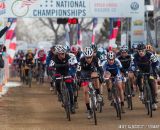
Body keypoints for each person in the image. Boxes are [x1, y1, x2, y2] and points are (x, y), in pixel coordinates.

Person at [77, 47, 104, 119]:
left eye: (90, 57)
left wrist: (101, 75)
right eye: (87, 58)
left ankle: (98, 94)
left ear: (92, 56)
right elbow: (78, 71)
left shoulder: (96, 59)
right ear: (84, 57)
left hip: (93, 71)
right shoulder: (81, 60)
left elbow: (101, 69)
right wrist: (79, 78)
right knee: (85, 91)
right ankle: (89, 110)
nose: (88, 59)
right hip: (84, 73)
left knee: (96, 77)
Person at [133, 43, 159, 110]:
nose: (141, 52)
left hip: (149, 69)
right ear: (137, 51)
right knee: (138, 76)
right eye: (139, 51)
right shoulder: (135, 56)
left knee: (152, 84)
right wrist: (136, 70)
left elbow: (156, 63)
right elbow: (134, 65)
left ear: (145, 50)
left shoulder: (150, 55)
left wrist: (154, 71)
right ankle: (141, 92)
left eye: (142, 51)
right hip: (140, 69)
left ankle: (153, 102)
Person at [52, 45, 75, 114]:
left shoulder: (68, 56)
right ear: (57, 54)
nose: (63, 55)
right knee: (57, 83)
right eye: (61, 54)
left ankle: (72, 105)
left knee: (70, 89)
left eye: (63, 53)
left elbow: (72, 64)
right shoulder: (54, 58)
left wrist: (72, 65)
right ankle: (61, 95)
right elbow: (51, 65)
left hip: (66, 72)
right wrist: (52, 66)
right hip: (58, 73)